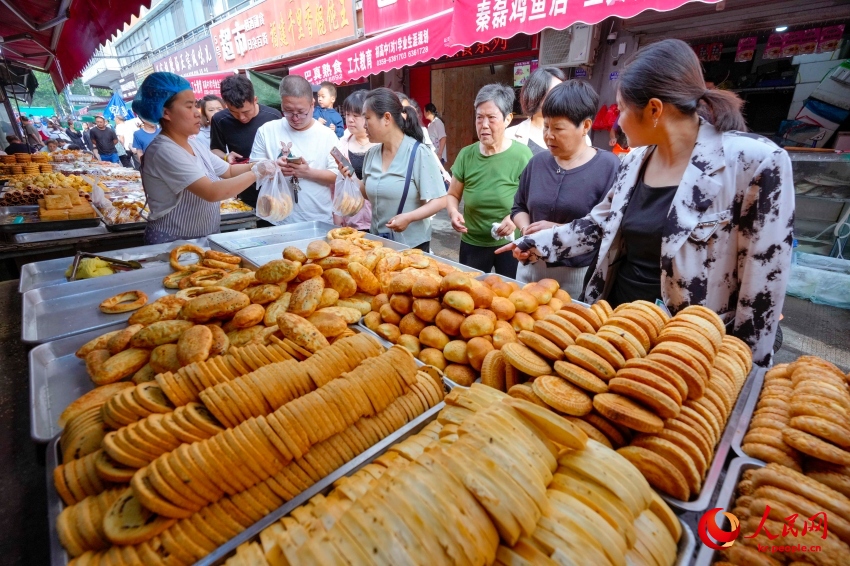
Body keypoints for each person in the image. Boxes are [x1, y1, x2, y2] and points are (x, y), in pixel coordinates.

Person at [497, 38, 794, 366]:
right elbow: (598, 225)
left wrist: (745, 372)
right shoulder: (634, 161)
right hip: (618, 327)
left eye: (622, 109)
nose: (617, 122)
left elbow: (763, 287)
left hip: (687, 349)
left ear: (654, 109)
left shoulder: (753, 163)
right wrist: (535, 242)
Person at [132, 72, 277, 244]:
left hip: (204, 235)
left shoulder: (193, 144)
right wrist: (257, 173)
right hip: (174, 240)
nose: (196, 113)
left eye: (195, 106)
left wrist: (263, 164)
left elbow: (229, 171)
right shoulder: (164, 151)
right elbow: (212, 192)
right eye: (189, 106)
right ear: (166, 113)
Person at [510, 81, 620, 297]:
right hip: (529, 268)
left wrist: (558, 231)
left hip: (574, 276)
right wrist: (526, 233)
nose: (548, 135)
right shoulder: (537, 163)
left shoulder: (609, 166)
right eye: (546, 126)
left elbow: (608, 229)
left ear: (586, 126)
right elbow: (519, 207)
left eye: (558, 128)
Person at [337, 88, 446, 251]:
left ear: (387, 118)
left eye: (367, 118)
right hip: (379, 244)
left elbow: (440, 200)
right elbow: (370, 193)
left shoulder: (418, 153)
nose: (364, 125)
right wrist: (351, 176)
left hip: (411, 246)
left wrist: (409, 218)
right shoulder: (371, 154)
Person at [447, 84, 533, 277]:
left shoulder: (522, 155)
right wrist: (453, 212)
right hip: (472, 242)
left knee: (510, 299)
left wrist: (514, 219)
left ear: (508, 119)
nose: (484, 125)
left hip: (511, 244)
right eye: (479, 117)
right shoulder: (466, 155)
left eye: (491, 118)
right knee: (471, 296)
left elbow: (531, 199)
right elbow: (453, 194)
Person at [250, 75, 340, 225]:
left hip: (317, 220)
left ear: (312, 104)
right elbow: (253, 170)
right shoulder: (266, 131)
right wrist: (273, 167)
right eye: (288, 111)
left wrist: (307, 173)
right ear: (282, 104)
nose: (295, 117)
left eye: (301, 111)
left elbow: (339, 175)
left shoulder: (328, 135)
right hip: (275, 219)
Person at [210, 75, 280, 208]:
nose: (241, 117)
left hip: (273, 188)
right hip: (244, 188)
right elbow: (214, 149)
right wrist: (225, 156)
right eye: (234, 113)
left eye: (246, 111)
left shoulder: (273, 116)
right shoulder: (220, 120)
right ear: (226, 105)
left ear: (255, 100)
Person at [335, 90, 375, 230]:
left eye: (356, 115)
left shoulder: (381, 146)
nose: (350, 119)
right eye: (347, 114)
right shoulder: (342, 144)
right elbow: (338, 182)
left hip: (378, 219)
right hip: (351, 219)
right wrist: (338, 213)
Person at [506, 67, 567, 156]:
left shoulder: (578, 136)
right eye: (554, 92)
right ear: (535, 94)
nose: (559, 97)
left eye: (562, 92)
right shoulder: (509, 136)